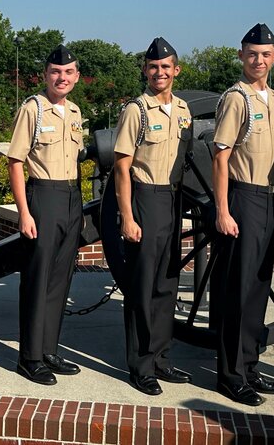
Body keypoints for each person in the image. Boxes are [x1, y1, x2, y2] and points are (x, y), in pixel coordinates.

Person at [212, 23, 274, 407]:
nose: (259, 60)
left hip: (269, 198)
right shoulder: (236, 99)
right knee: (236, 289)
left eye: (265, 54)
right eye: (252, 54)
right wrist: (223, 210)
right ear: (241, 56)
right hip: (242, 197)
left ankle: (249, 363)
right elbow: (221, 156)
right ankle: (230, 374)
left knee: (257, 287)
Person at [113, 37, 193, 395]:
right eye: (153, 67)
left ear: (176, 70)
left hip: (172, 201)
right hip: (145, 197)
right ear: (145, 71)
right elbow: (122, 166)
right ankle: (140, 365)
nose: (159, 72)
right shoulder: (137, 110)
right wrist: (128, 217)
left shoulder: (183, 109)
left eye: (166, 67)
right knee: (143, 287)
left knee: (166, 285)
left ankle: (161, 357)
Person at [8, 44, 84, 386]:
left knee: (59, 279)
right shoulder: (33, 110)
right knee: (38, 281)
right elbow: (15, 161)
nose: (62, 78)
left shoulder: (75, 112)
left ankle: (49, 348)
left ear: (76, 77)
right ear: (45, 76)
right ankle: (30, 357)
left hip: (71, 196)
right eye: (56, 72)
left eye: (68, 73)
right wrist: (25, 213)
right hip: (44, 195)